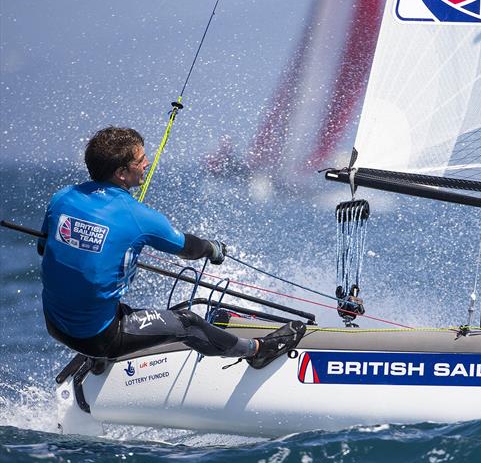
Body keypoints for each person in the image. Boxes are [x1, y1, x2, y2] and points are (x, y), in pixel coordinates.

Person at [38, 126, 304, 368]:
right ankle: (257, 351)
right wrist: (213, 249)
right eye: (140, 160)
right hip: (97, 335)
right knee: (187, 322)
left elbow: (44, 249)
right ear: (121, 173)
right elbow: (188, 248)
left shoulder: (62, 197)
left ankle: (98, 358)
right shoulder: (138, 217)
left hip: (54, 322)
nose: (147, 163)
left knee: (99, 291)